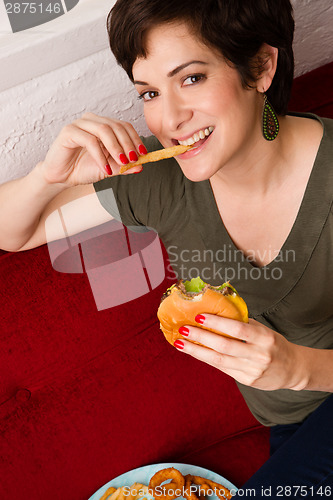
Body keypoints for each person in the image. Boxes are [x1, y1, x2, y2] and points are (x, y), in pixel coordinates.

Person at [1, 0, 332, 496]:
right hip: (293, 429)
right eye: (150, 92)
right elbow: (15, 233)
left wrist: (299, 368)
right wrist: (48, 178)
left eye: (192, 78)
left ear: (262, 67)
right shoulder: (158, 176)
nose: (170, 118)